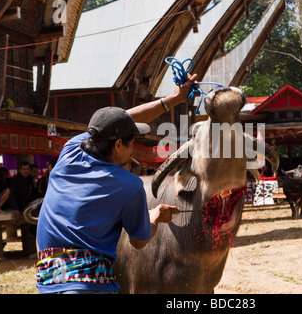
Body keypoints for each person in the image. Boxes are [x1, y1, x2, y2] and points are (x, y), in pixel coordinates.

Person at [36, 74, 197, 294]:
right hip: (88, 286)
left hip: (49, 281)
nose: (134, 149)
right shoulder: (129, 185)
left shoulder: (71, 150)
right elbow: (139, 241)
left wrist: (173, 99)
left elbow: (117, 121)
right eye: (133, 142)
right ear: (119, 144)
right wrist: (155, 217)